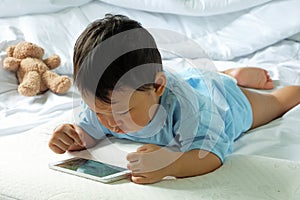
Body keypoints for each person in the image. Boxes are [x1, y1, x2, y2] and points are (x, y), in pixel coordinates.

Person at [48, 14, 300, 184]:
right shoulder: (103, 98)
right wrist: (76, 137)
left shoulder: (190, 111)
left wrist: (170, 165)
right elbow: (90, 131)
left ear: (157, 88)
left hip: (222, 100)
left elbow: (211, 153)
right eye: (98, 111)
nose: (110, 123)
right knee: (195, 78)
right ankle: (226, 72)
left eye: (122, 113)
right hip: (183, 81)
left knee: (277, 103)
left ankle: (228, 78)